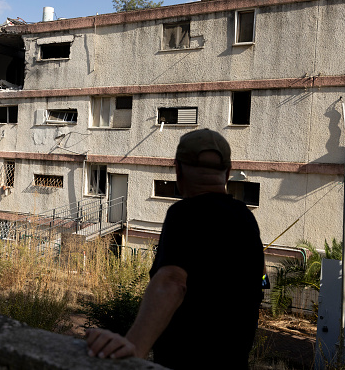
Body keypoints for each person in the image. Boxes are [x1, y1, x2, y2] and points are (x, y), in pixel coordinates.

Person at [86, 129, 264, 369]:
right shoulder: (247, 219)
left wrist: (133, 349)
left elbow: (172, 281)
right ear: (228, 173)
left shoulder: (185, 214)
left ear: (178, 170)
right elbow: (260, 281)